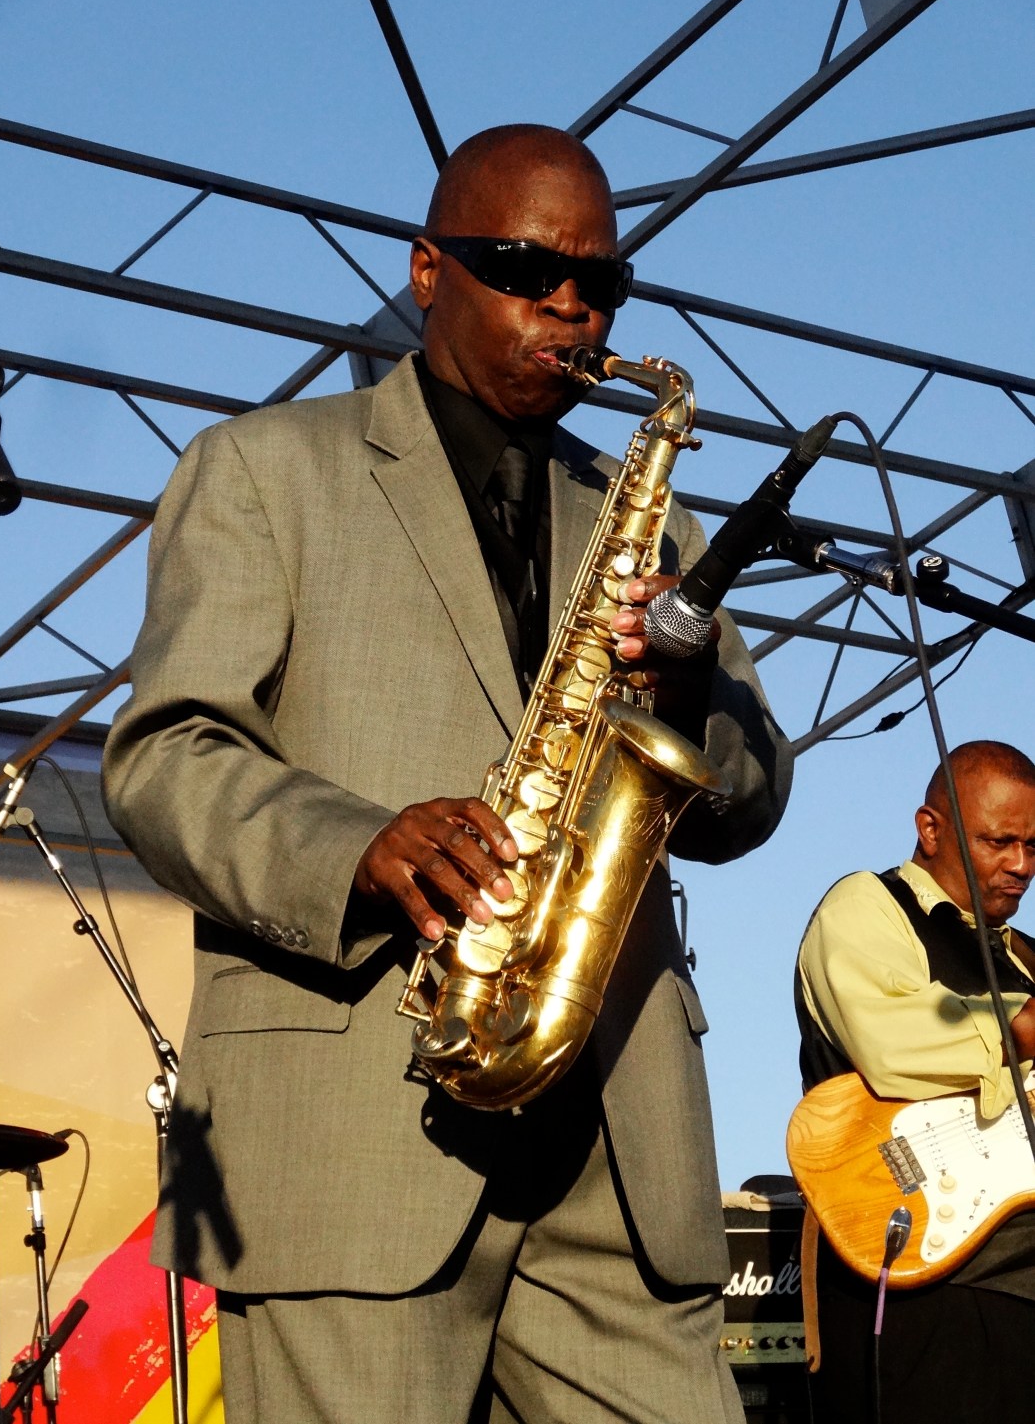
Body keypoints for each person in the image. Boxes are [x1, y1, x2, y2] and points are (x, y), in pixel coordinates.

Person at [102, 123, 792, 1424]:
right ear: (427, 269)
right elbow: (162, 759)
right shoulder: (262, 471)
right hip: (356, 1131)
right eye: (526, 268)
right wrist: (352, 842)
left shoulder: (646, 508)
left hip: (614, 1148)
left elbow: (752, 788)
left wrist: (688, 693)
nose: (569, 305)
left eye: (599, 283)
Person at [795, 739, 1035, 1423]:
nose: (1020, 865)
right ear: (930, 828)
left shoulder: (1024, 959)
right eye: (998, 841)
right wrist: (1017, 1029)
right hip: (909, 1275)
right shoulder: (866, 905)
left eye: (1032, 846)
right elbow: (890, 1042)